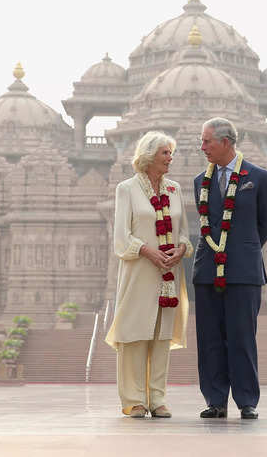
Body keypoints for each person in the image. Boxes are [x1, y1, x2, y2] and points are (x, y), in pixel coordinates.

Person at [192, 117, 267, 420]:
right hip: (206, 271)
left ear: (225, 142)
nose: (202, 147)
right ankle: (215, 400)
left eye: (206, 142)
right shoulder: (199, 181)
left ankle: (246, 400)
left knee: (242, 336)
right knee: (209, 338)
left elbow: (265, 225)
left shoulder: (258, 177)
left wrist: (241, 248)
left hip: (243, 272)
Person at [105, 131, 192, 418]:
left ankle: (157, 399)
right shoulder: (126, 189)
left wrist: (180, 250)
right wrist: (147, 251)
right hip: (139, 270)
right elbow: (121, 237)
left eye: (171, 152)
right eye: (165, 153)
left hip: (169, 272)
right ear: (149, 155)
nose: (171, 158)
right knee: (134, 333)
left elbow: (183, 234)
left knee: (161, 336)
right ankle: (134, 400)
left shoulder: (174, 190)